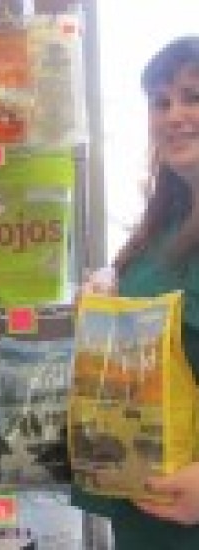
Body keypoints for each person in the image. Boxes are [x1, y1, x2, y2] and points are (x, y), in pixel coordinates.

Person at [72, 36, 199, 549]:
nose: (175, 115)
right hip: (145, 505)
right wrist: (110, 287)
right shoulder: (168, 217)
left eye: (193, 97)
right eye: (161, 102)